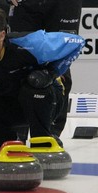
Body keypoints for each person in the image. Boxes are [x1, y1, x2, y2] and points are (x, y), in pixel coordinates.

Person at [0, 5, 84, 165]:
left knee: (33, 83)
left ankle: (42, 140)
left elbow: (77, 42)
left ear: (1, 35)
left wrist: (51, 73)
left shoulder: (31, 44)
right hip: (9, 104)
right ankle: (4, 141)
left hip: (44, 101)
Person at [7, 0, 83, 137]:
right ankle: (17, 131)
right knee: (18, 55)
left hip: (64, 4)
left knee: (61, 55)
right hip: (24, 4)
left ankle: (51, 132)